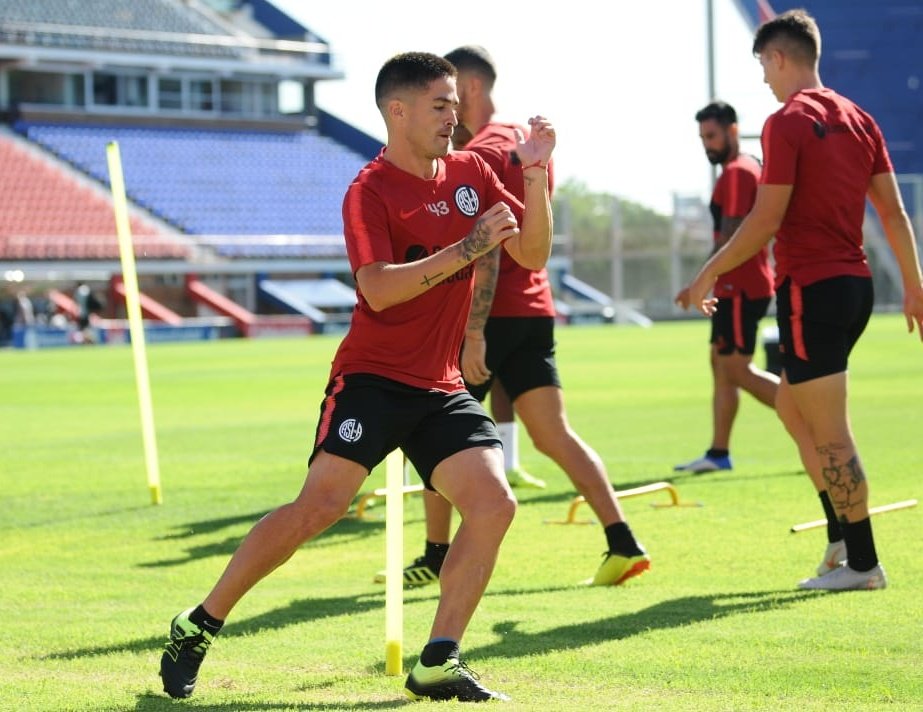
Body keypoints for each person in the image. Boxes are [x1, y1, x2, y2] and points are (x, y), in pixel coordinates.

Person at [159, 51, 556, 703]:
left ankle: (437, 660)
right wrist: (465, 249)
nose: (454, 115)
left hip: (440, 385)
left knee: (493, 503)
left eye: (455, 102)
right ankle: (198, 624)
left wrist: (535, 175)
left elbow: (532, 253)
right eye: (439, 103)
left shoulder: (473, 171)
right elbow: (376, 291)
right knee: (320, 507)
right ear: (397, 111)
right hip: (371, 378)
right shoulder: (368, 190)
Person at [379, 45, 649, 590]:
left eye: (449, 97)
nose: (447, 111)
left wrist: (474, 330)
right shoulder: (518, 144)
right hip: (536, 310)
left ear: (470, 89)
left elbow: (494, 244)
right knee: (554, 434)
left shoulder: (484, 151)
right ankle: (622, 540)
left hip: (493, 314)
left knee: (435, 431)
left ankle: (435, 553)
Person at [679, 9, 923, 591]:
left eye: (763, 63)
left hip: (810, 289)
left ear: (780, 57)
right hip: (854, 287)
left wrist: (708, 274)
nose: (763, 76)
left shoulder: (785, 122)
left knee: (830, 429)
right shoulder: (860, 118)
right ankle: (841, 534)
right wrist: (913, 286)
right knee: (792, 407)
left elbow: (766, 218)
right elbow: (892, 212)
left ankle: (862, 562)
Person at [673, 101, 778, 474]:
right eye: (703, 137)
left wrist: (701, 280)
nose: (707, 145)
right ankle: (719, 453)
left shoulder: (736, 172)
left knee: (736, 369)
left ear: (733, 131)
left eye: (712, 136)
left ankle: (811, 416)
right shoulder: (746, 166)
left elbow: (732, 234)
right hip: (737, 284)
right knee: (720, 365)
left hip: (740, 286)